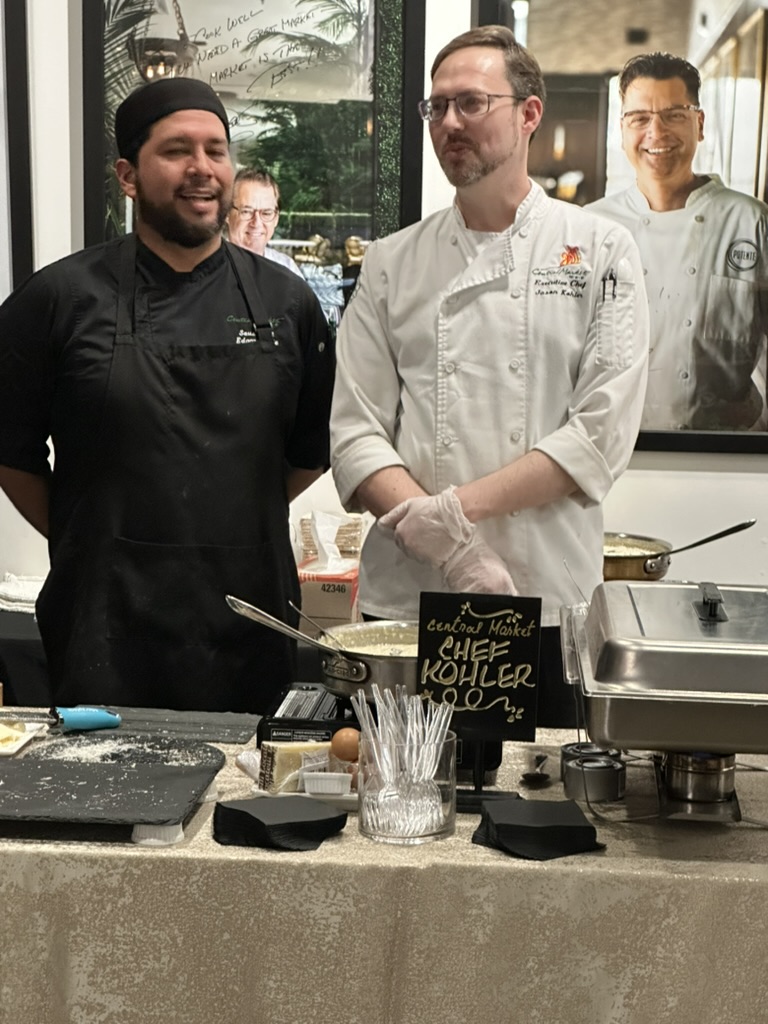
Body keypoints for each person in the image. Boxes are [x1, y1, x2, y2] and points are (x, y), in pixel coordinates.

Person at [330, 25, 649, 726]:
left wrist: (453, 513)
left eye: (471, 103)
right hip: (406, 609)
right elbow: (356, 435)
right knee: (397, 804)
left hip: (538, 598)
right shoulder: (391, 262)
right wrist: (448, 544)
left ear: (528, 113)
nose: (449, 123)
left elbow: (597, 437)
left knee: (530, 808)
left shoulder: (598, 249)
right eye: (436, 108)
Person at [0, 78, 334, 714]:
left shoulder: (287, 305)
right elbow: (10, 451)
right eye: (178, 150)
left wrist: (223, 524)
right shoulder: (59, 299)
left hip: (247, 618)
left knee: (243, 801)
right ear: (128, 175)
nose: (202, 169)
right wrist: (86, 532)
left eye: (216, 149)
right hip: (104, 619)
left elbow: (309, 453)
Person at [589, 52, 768, 431]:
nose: (657, 133)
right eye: (640, 118)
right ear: (622, 130)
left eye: (674, 115)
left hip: (724, 454)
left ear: (699, 124)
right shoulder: (590, 227)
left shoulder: (752, 222)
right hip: (613, 453)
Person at [227, 168, 304, 278]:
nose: (257, 223)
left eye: (267, 213)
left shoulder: (287, 270)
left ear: (276, 218)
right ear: (227, 214)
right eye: (247, 212)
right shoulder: (209, 270)